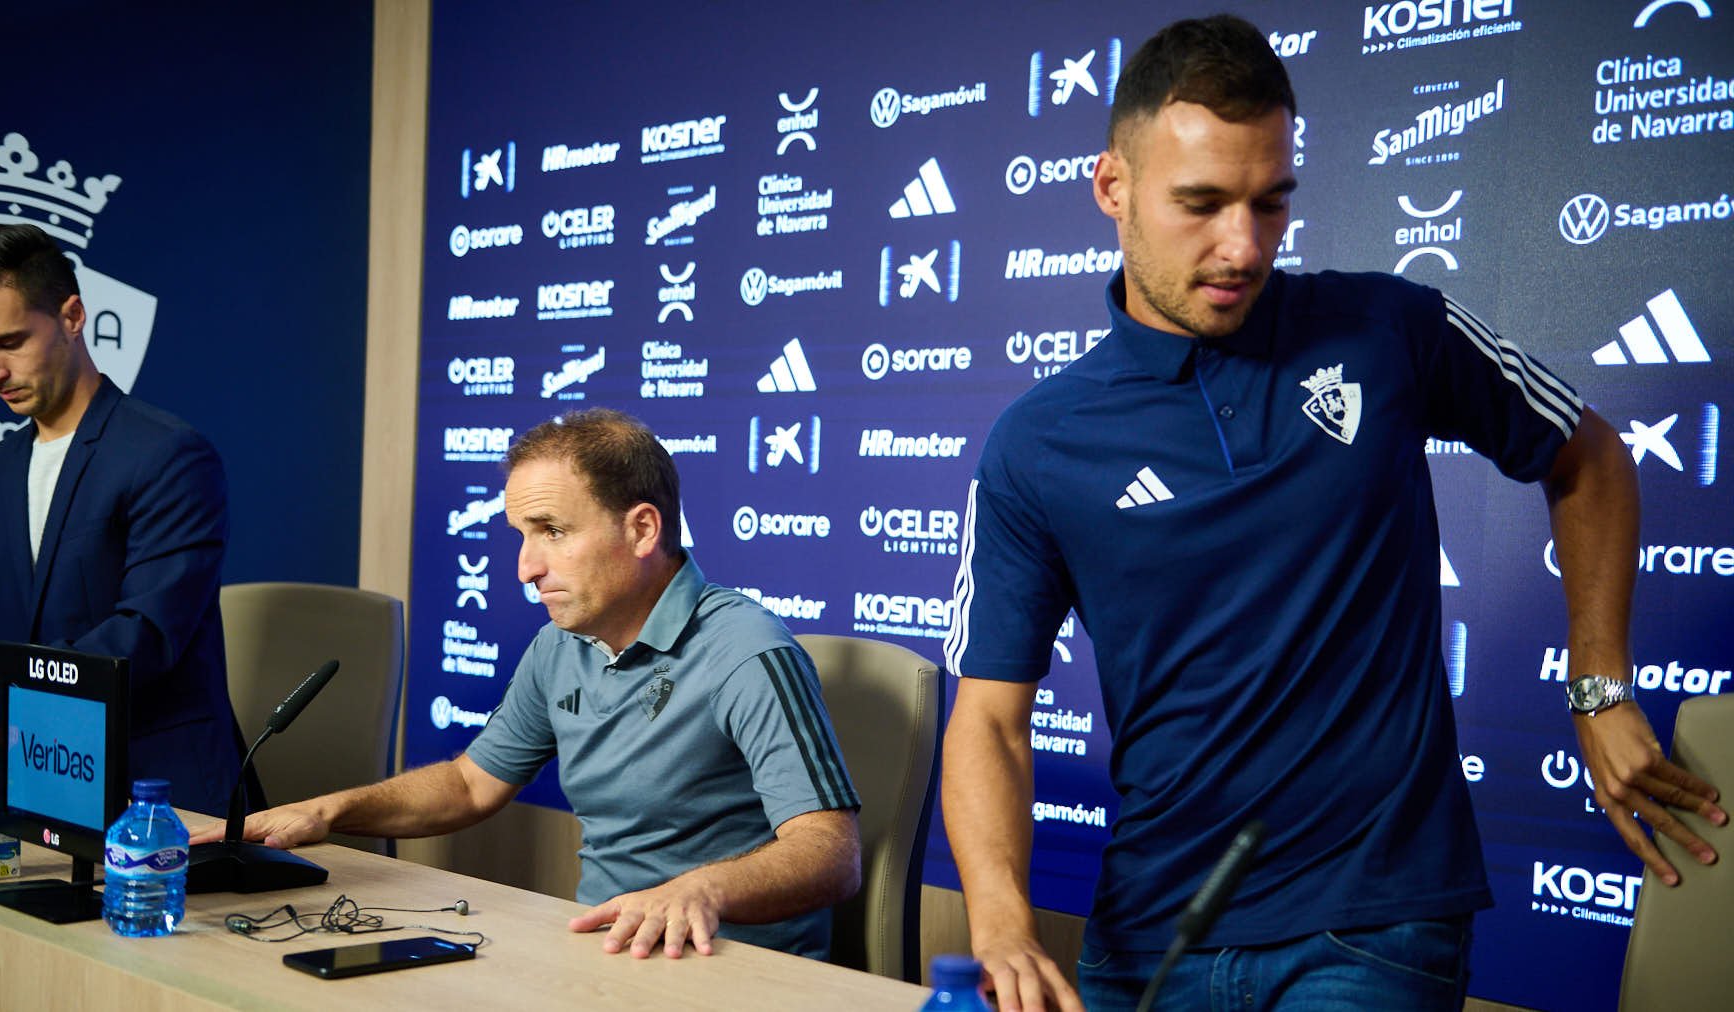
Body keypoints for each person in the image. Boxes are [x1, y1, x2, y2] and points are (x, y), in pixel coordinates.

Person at [940, 15, 1725, 1011]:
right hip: (1149, 934)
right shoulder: (1034, 443)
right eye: (1203, 204)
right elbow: (991, 723)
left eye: (1271, 204)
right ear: (1112, 188)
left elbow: (1588, 455)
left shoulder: (1390, 327)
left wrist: (1599, 684)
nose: (1243, 246)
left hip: (1374, 923)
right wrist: (1003, 923)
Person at [194, 408, 861, 960]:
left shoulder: (744, 649)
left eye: (551, 532)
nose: (524, 567)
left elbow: (830, 853)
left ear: (642, 529)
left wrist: (703, 890)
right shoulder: (559, 645)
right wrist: (329, 811)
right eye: (521, 534)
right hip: (601, 952)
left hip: (731, 965)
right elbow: (470, 784)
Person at [0, 224, 248, 816]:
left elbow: (143, 638)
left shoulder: (168, 455)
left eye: (9, 342)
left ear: (73, 316)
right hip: (29, 785)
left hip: (158, 800)